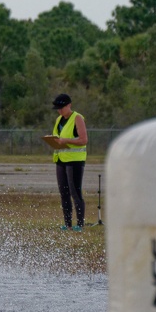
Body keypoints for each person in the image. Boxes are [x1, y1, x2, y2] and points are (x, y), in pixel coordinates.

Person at [51, 93, 88, 231]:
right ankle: (67, 224)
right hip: (61, 159)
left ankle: (80, 224)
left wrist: (66, 141)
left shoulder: (77, 118)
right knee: (64, 192)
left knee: (75, 192)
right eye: (58, 108)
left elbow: (83, 140)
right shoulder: (58, 120)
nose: (60, 110)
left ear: (69, 105)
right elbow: (58, 137)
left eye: (62, 107)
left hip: (75, 161)